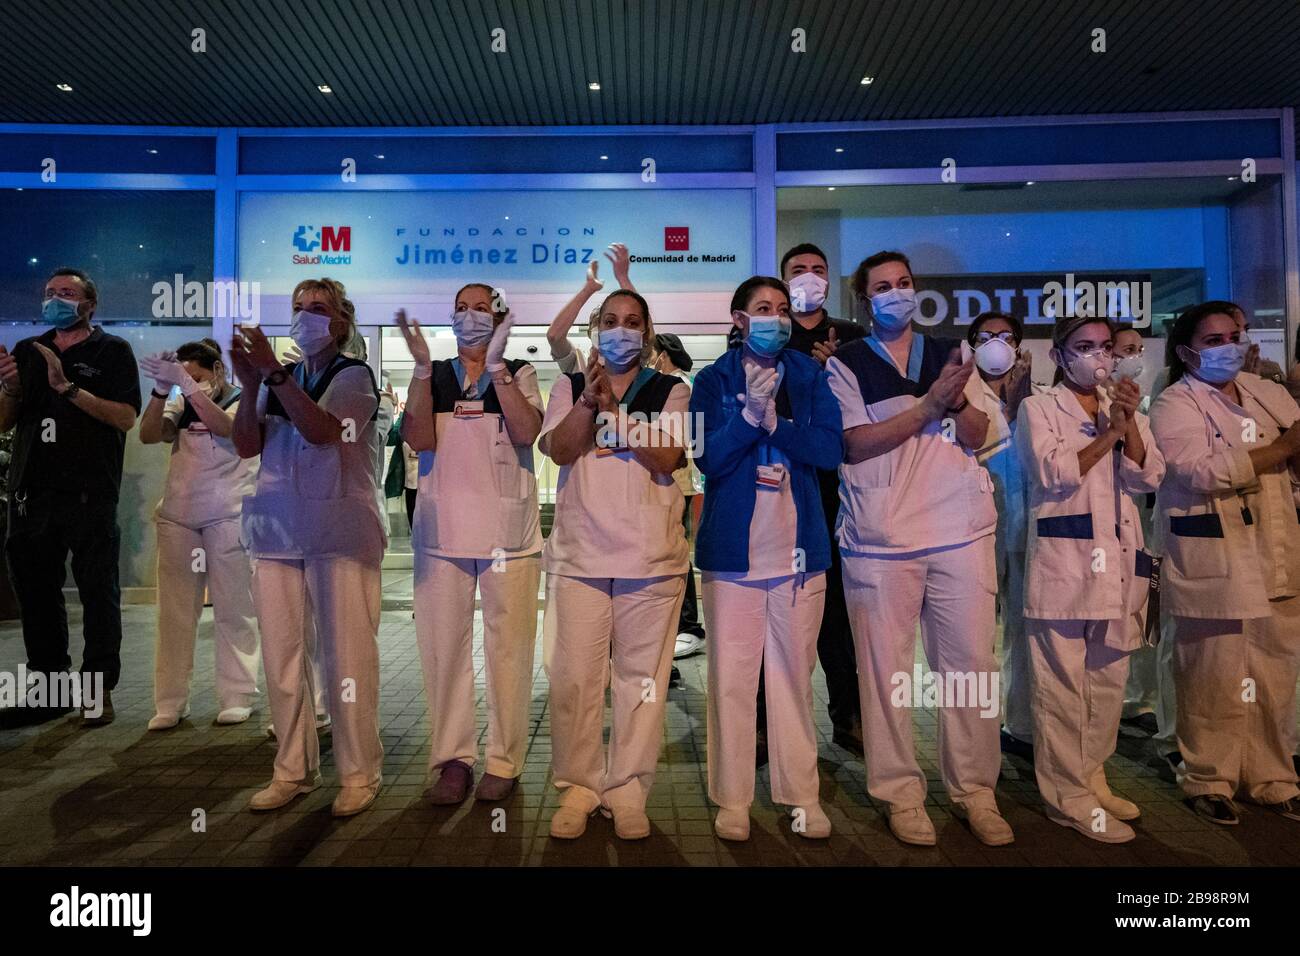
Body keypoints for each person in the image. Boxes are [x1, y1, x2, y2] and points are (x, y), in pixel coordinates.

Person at [825, 250, 1013, 848]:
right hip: (881, 540)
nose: (896, 292)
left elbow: (985, 436)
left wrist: (955, 402)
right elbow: (854, 445)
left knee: (970, 668)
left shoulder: (955, 356)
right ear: (865, 300)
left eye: (904, 283)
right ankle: (900, 793)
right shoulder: (845, 365)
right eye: (882, 286)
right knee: (886, 674)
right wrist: (928, 408)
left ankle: (975, 792)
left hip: (960, 532)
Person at [690, 276, 843, 841]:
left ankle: (801, 795)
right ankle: (733, 798)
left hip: (800, 554)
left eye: (782, 309)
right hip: (734, 555)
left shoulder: (809, 375)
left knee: (792, 679)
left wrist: (780, 424)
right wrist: (748, 418)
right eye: (762, 309)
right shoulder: (712, 379)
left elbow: (830, 450)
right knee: (731, 678)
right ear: (737, 318)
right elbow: (708, 459)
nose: (775, 319)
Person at [230, 277, 385, 818]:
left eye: (318, 308)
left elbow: (322, 431)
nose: (306, 317)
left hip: (340, 536)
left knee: (347, 661)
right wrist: (251, 384)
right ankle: (292, 770)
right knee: (282, 658)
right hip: (277, 534)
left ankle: (359, 773)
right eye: (298, 308)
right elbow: (247, 444)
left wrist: (272, 372)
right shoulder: (281, 377)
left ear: (341, 322)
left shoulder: (355, 376)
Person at [539, 288, 688, 840]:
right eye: (609, 320)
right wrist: (587, 404)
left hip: (651, 559)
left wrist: (614, 413)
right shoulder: (569, 385)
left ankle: (627, 789)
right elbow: (559, 450)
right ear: (595, 328)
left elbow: (667, 456)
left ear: (646, 332)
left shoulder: (673, 389)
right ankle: (578, 786)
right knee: (575, 680)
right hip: (579, 558)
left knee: (639, 685)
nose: (619, 330)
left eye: (631, 322)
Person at [1149, 301, 1300, 825]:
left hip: (1276, 553)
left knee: (1273, 675)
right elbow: (1200, 472)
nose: (1228, 346)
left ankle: (1272, 777)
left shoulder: (1269, 393)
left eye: (1235, 335)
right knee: (1211, 675)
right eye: (1214, 340)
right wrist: (1282, 450)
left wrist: (1288, 449)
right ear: (1187, 350)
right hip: (1213, 555)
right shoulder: (1174, 404)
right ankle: (1207, 777)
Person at [1016, 315, 1165, 843]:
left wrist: (1125, 422)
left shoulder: (1120, 405)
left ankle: (1094, 777)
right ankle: (1066, 797)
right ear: (1059, 356)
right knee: (1061, 689)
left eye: (1105, 347)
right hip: (1065, 564)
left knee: (1107, 683)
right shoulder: (1038, 408)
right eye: (1084, 347)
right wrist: (1111, 434)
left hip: (1122, 564)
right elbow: (1054, 472)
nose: (1098, 357)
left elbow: (1148, 476)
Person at [397, 285, 544, 804]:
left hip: (508, 533)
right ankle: (453, 760)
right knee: (443, 650)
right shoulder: (434, 375)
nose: (470, 316)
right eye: (462, 307)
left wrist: (499, 367)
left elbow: (528, 433)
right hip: (443, 533)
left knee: (509, 650)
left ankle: (504, 760)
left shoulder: (520, 372)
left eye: (482, 307)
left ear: (500, 317)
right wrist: (417, 372)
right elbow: (418, 438)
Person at [0, 268, 140, 727]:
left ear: (89, 305)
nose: (55, 299)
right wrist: (11, 389)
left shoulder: (112, 352)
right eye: (49, 293)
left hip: (89, 494)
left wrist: (68, 388)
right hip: (31, 495)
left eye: (67, 293)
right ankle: (49, 692)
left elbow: (123, 418)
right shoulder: (27, 350)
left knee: (98, 595)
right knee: (37, 598)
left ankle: (98, 691)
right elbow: (5, 422)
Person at [766, 243, 868, 758]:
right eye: (798, 271)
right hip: (778, 483)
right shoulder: (767, 336)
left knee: (836, 608)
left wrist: (834, 375)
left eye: (819, 270)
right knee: (774, 601)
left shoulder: (852, 337)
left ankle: (847, 714)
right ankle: (768, 723)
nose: (809, 278)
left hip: (836, 485)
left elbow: (862, 413)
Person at [138, 339, 260, 729]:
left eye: (198, 376)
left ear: (219, 371)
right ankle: (170, 701)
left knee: (234, 610)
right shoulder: (178, 401)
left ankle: (238, 694)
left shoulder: (243, 400)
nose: (190, 383)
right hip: (179, 518)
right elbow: (149, 434)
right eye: (184, 377)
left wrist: (187, 386)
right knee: (174, 615)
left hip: (228, 516)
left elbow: (227, 428)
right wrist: (161, 390)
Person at [964, 311, 1040, 764]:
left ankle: (1023, 726)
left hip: (1025, 527)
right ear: (972, 344)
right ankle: (977, 731)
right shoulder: (960, 394)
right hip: (974, 530)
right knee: (974, 636)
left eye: (1006, 337)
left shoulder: (1041, 398)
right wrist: (1008, 409)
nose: (997, 344)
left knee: (1024, 629)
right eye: (987, 336)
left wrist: (1020, 404)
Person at [653, 332, 707, 659]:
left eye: (653, 352)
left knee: (677, 548)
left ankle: (688, 625)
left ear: (665, 354)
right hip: (668, 478)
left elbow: (687, 440)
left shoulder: (678, 386)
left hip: (679, 480)